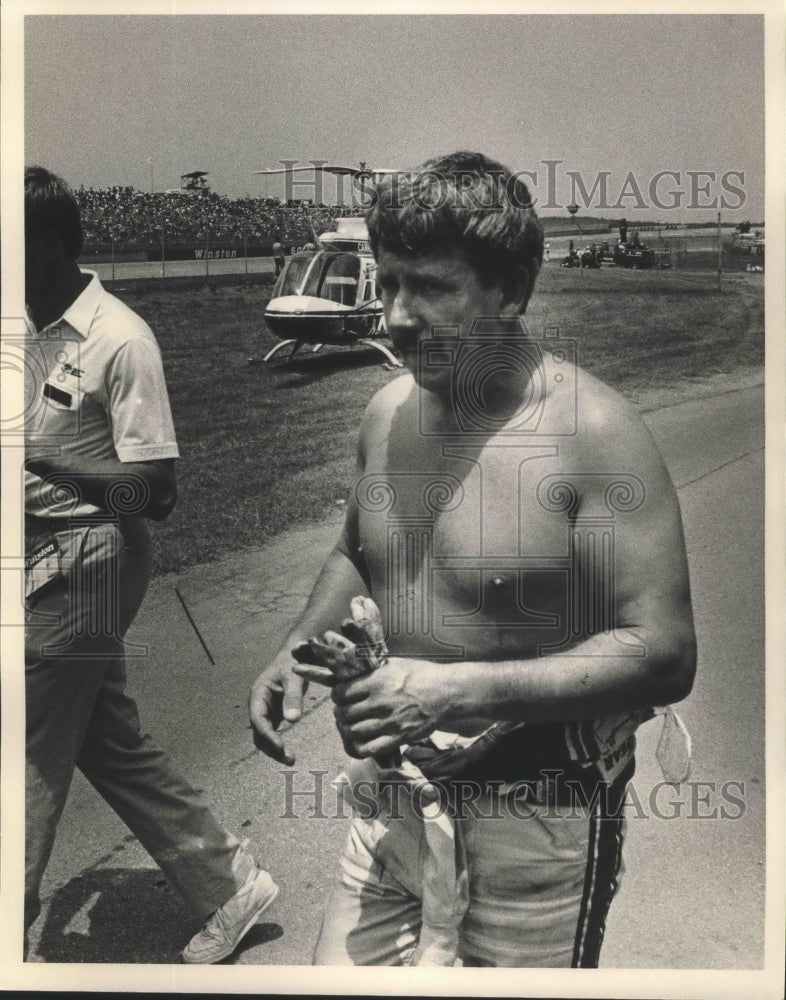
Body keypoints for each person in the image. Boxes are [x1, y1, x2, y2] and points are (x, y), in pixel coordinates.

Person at [249, 151, 696, 967]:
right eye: (387, 284)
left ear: (512, 292)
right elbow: (363, 545)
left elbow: (663, 653)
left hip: (540, 818)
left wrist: (453, 689)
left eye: (433, 287)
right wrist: (296, 646)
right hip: (394, 800)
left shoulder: (594, 434)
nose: (398, 315)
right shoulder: (388, 413)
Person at [23, 166, 278, 964]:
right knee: (99, 734)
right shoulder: (19, 323)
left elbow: (158, 492)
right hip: (34, 552)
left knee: (26, 747)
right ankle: (230, 886)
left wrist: (40, 463)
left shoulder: (121, 339)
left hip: (94, 552)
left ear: (51, 243)